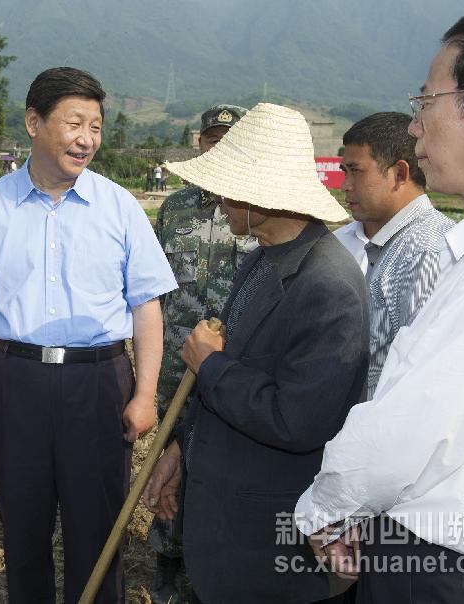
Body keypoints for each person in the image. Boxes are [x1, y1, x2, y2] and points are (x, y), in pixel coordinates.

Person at [296, 2, 464, 602]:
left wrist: (324, 510)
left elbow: (402, 440)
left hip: (449, 570)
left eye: (425, 104)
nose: (414, 128)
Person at [0, 67, 177, 604]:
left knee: (97, 531)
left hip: (97, 382)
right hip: (15, 378)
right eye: (74, 123)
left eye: (95, 127)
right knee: (21, 526)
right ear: (34, 123)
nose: (87, 139)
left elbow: (147, 307)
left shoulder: (119, 206)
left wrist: (143, 395)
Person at [145, 103, 369, 603]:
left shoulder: (328, 287)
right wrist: (183, 448)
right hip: (226, 537)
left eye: (228, 187)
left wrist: (210, 365)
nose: (219, 199)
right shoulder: (262, 262)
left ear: (260, 196)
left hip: (269, 556)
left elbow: (296, 420)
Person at [148, 103, 252, 603]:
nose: (219, 148)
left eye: (230, 140)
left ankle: (206, 560)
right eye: (213, 140)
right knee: (164, 463)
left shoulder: (257, 208)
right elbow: (151, 288)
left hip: (232, 369)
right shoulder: (175, 208)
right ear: (200, 144)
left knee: (214, 464)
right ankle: (166, 556)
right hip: (173, 365)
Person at [337, 112, 453, 397]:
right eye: (344, 172)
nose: (345, 185)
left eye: (356, 171)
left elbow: (417, 379)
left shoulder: (424, 251)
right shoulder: (391, 245)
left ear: (399, 174)